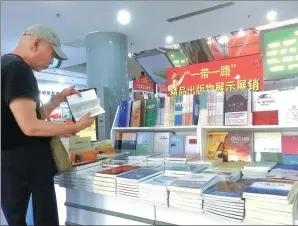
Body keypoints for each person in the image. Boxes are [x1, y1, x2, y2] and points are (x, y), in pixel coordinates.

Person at [1, 24, 95, 226]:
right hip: (25, 166)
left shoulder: (6, 65)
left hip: (11, 165)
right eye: (52, 54)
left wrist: (58, 99)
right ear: (36, 43)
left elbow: (31, 116)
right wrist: (74, 127)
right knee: (40, 218)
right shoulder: (18, 68)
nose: (52, 61)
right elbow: (30, 126)